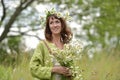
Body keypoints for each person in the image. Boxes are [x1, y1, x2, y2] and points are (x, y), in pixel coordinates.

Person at [29, 9, 73, 80]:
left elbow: (73, 69)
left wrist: (70, 72)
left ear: (62, 25)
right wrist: (54, 69)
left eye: (57, 22)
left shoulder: (67, 47)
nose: (55, 25)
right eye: (51, 23)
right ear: (48, 27)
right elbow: (33, 69)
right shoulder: (42, 45)